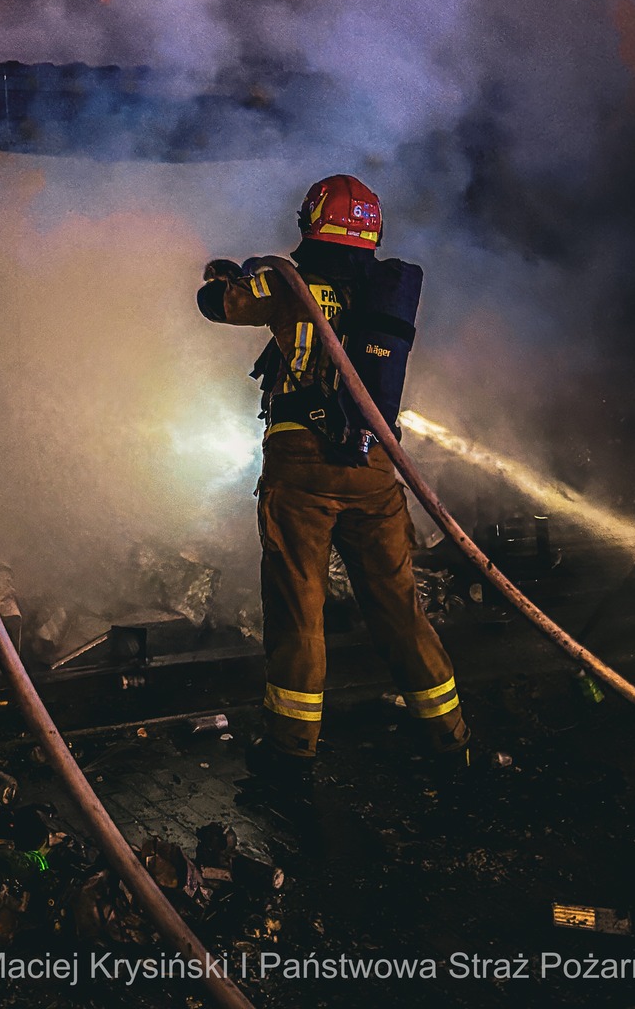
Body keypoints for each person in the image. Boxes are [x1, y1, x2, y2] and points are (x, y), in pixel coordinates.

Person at [198, 174, 468, 800]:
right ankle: (449, 740)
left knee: (299, 608)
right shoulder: (386, 291)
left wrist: (223, 277)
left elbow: (218, 305)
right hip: (373, 465)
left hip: (302, 465)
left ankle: (291, 752)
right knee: (399, 606)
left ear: (312, 219)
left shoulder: (287, 281)